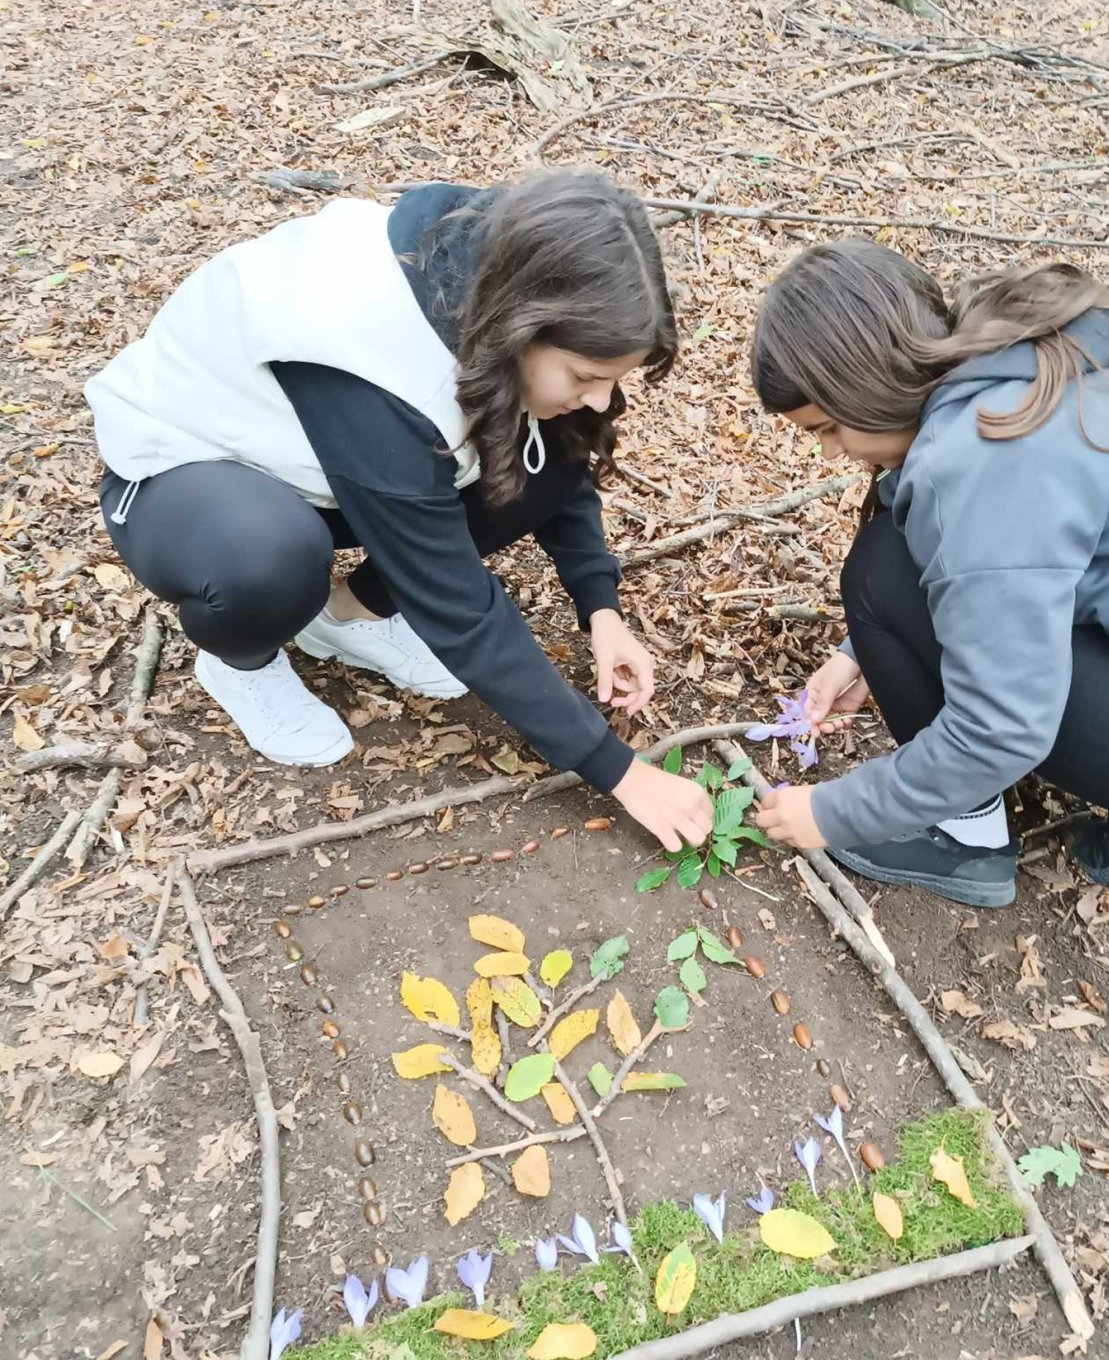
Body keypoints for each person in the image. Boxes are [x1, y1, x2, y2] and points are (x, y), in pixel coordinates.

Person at [87, 170, 712, 854]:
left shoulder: (491, 277)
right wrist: (619, 771)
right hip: (179, 475)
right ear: (522, 327)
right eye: (586, 376)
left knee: (540, 454)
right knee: (270, 559)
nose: (600, 399)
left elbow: (560, 459)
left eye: (613, 379)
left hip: (317, 465)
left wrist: (601, 608)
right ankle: (241, 659)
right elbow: (458, 605)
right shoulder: (370, 354)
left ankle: (343, 617)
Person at [749, 243, 1109, 907]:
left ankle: (968, 840)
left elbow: (1002, 727)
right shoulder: (1015, 342)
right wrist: (859, 655)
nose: (830, 452)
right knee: (895, 565)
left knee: (879, 573)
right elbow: (1029, 558)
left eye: (827, 427)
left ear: (864, 383)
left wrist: (829, 811)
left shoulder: (982, 460)